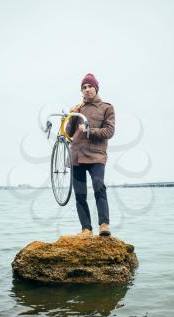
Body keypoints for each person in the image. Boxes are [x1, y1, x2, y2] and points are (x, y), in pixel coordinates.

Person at [67, 73, 115, 237]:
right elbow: (68, 133)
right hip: (77, 157)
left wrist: (90, 131)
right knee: (80, 194)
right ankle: (86, 229)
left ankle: (104, 225)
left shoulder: (106, 107)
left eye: (89, 86)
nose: (87, 90)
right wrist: (71, 116)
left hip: (96, 156)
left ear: (96, 88)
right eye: (84, 88)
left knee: (99, 187)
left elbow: (109, 131)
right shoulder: (78, 109)